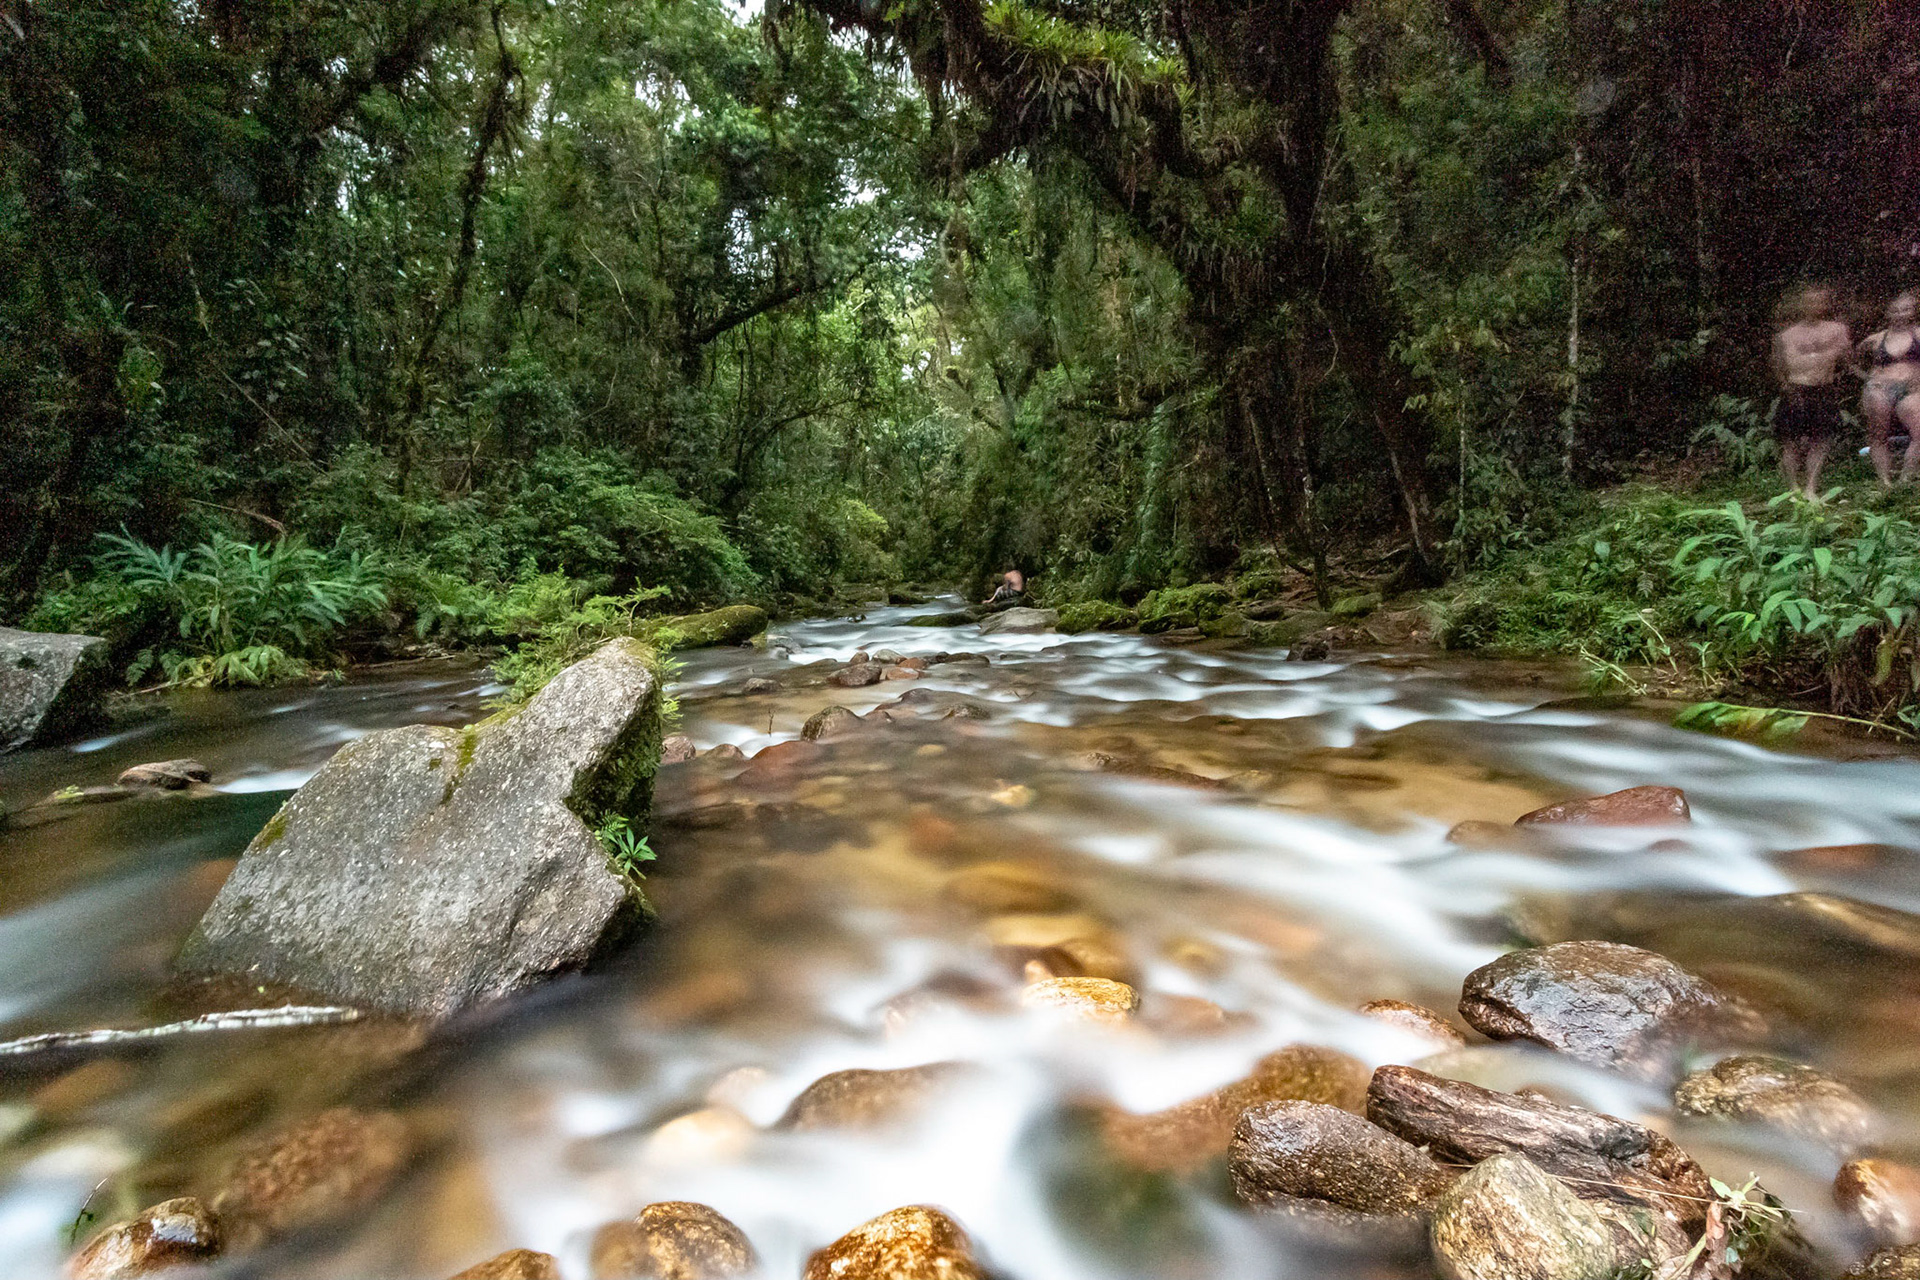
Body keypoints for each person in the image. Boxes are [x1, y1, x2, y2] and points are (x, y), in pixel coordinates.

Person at [1769, 286, 1851, 499]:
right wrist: (1787, 388)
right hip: (1796, 389)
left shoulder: (1837, 330)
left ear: (1826, 304)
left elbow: (1848, 360)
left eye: (1818, 301)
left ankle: (1811, 488)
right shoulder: (1786, 335)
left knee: (1820, 441)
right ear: (1800, 305)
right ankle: (1793, 488)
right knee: (1790, 443)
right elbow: (1777, 365)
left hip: (1823, 389)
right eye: (1808, 302)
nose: (1813, 306)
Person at [1857, 290, 1920, 486]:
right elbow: (1851, 361)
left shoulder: (1918, 333)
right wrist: (1868, 378)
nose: (1901, 314)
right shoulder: (1875, 339)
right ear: (1888, 312)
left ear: (1914, 310)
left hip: (1911, 389)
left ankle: (1906, 479)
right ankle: (1884, 482)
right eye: (1896, 310)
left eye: (1905, 309)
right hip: (1880, 389)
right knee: (1878, 436)